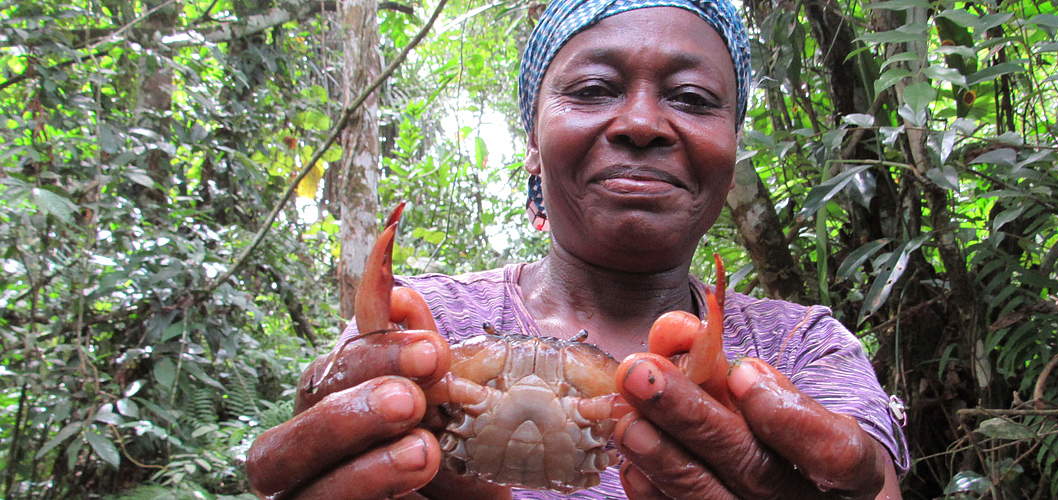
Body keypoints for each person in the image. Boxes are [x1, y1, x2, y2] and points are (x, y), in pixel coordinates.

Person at [246, 0, 909, 498]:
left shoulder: (800, 351)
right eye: (593, 89)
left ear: (734, 153)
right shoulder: (420, 327)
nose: (643, 124)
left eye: (691, 98)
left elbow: (865, 478)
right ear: (532, 141)